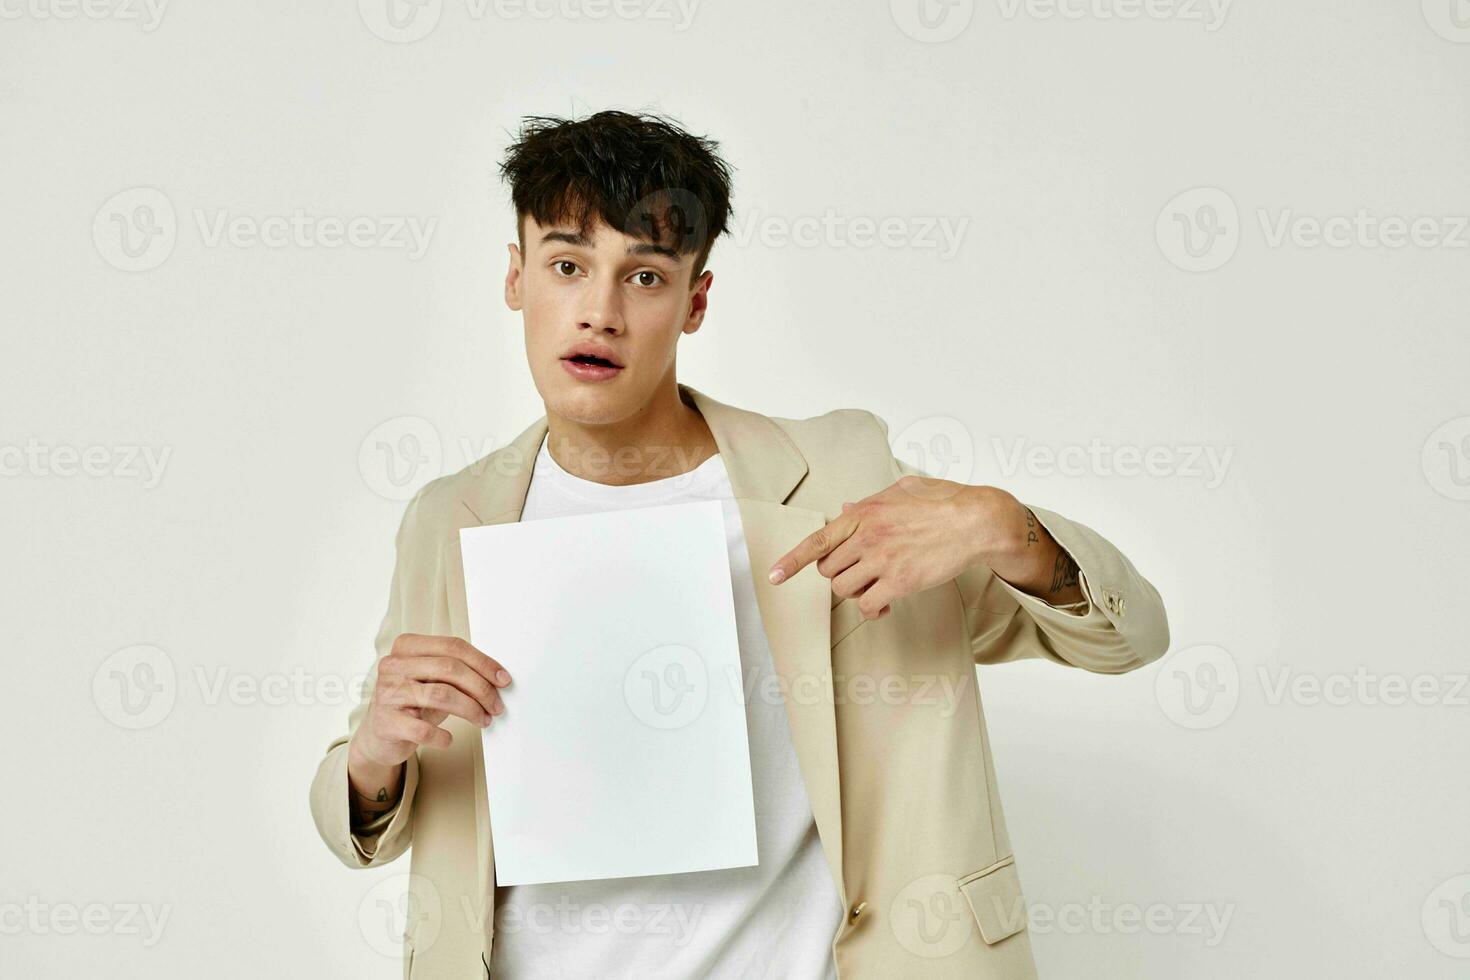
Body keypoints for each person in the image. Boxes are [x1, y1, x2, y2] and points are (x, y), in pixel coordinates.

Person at [309, 109, 1170, 979]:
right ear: (516, 278)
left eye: (644, 277)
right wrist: (376, 752)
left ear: (696, 301)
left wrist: (998, 522)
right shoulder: (449, 517)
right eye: (568, 266)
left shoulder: (836, 477)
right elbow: (368, 823)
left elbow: (1128, 636)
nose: (600, 313)